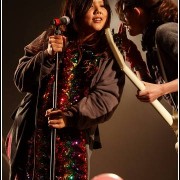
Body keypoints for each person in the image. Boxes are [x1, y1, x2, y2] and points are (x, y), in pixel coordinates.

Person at [5, 0, 125, 179]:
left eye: (102, 6)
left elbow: (106, 97)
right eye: (91, 6)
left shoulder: (109, 49)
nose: (99, 11)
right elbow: (21, 79)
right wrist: (47, 55)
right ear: (75, 9)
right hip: (31, 133)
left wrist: (69, 116)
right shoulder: (52, 36)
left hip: (73, 136)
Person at [115, 0, 178, 129]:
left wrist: (161, 89)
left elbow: (159, 90)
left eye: (124, 14)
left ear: (136, 11)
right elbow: (153, 94)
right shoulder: (152, 44)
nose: (123, 21)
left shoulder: (165, 31)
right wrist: (132, 54)